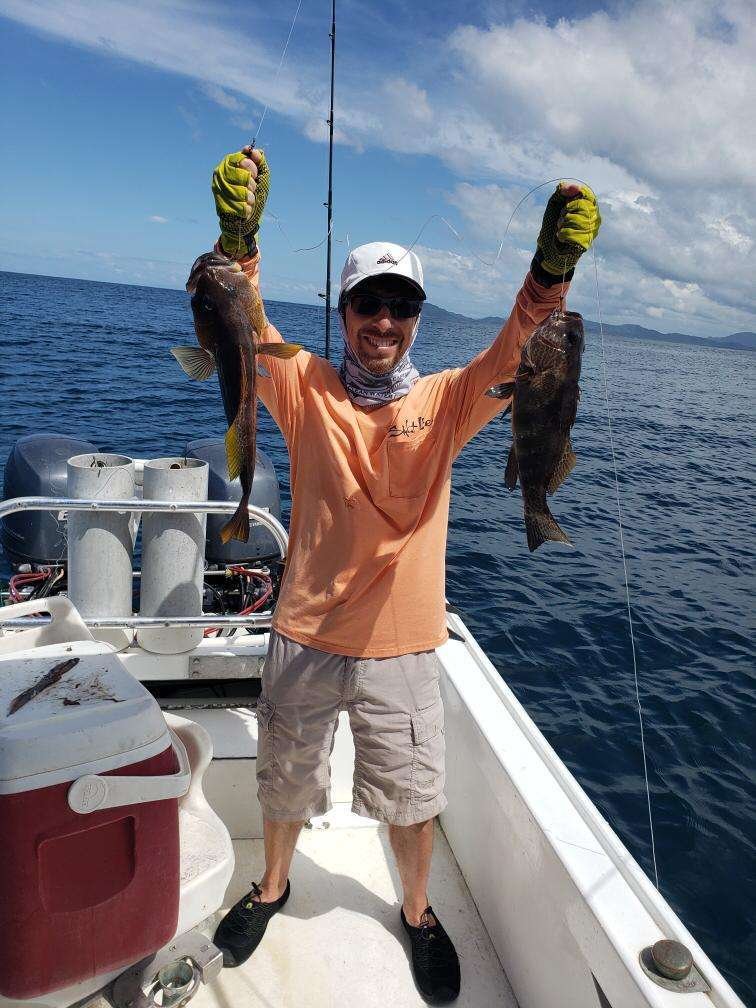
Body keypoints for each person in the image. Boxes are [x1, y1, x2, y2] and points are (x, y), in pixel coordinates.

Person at [208, 146, 601, 1004]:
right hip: (305, 630)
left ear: (417, 318)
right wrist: (239, 238)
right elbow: (241, 319)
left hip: (406, 646)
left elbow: (521, 344)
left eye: (401, 305)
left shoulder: (452, 400)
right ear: (343, 310)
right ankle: (272, 888)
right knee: (283, 777)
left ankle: (417, 912)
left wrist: (552, 269)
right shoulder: (303, 385)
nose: (384, 321)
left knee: (410, 798)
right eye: (368, 303)